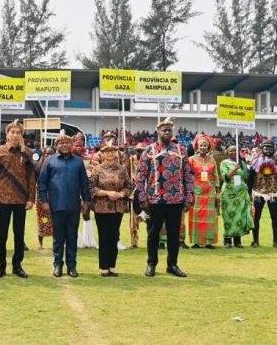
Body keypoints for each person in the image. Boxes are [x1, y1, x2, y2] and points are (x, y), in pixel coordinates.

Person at [134, 118, 194, 278]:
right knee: (153, 233)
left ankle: (172, 264)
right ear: (158, 132)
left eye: (169, 130)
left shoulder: (181, 150)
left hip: (176, 199)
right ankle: (151, 263)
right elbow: (140, 176)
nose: (167, 132)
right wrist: (142, 198)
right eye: (164, 130)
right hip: (155, 200)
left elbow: (188, 175)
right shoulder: (149, 150)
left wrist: (189, 197)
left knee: (174, 234)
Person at [38, 132, 91, 278]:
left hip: (74, 205)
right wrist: (44, 201)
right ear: (57, 146)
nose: (64, 145)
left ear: (71, 145)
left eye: (67, 143)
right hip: (56, 205)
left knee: (72, 237)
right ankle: (58, 265)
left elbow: (84, 183)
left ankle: (72, 266)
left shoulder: (78, 162)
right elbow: (42, 182)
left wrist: (87, 201)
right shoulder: (50, 161)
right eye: (61, 143)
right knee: (58, 238)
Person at [0, 120, 36, 279]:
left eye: (18, 133)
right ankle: (1, 266)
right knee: (2, 236)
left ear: (22, 135)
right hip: (2, 200)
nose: (15, 135)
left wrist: (31, 198)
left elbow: (31, 177)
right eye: (12, 132)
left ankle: (17, 266)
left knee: (19, 235)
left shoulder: (27, 153)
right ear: (7, 134)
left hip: (21, 200)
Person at [89, 140, 132, 276]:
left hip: (117, 207)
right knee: (104, 237)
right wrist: (108, 193)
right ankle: (104, 267)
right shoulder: (97, 169)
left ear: (116, 153)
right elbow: (92, 188)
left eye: (112, 151)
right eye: (107, 151)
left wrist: (120, 194)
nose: (110, 153)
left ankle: (112, 266)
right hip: (101, 208)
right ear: (102, 153)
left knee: (114, 237)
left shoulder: (122, 169)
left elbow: (129, 186)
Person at [249, 140, 277, 248]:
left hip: (273, 193)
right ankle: (255, 241)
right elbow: (250, 178)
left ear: (274, 149)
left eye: (270, 148)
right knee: (256, 218)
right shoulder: (255, 160)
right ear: (262, 149)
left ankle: (276, 241)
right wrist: (248, 192)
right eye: (266, 148)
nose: (268, 151)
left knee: (275, 217)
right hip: (258, 192)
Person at [188, 134, 221, 249]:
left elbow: (216, 176)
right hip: (196, 192)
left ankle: (209, 242)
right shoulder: (191, 160)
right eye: (201, 145)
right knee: (196, 216)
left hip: (210, 192)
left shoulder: (212, 160)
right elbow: (188, 176)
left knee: (209, 217)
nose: (203, 147)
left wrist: (218, 192)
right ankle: (196, 242)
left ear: (208, 147)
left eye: (205, 145)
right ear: (197, 146)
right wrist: (190, 191)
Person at [35, 146, 55, 250]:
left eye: (51, 153)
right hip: (41, 196)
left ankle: (55, 242)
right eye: (47, 153)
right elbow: (37, 170)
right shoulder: (41, 163)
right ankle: (40, 242)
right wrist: (43, 157)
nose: (49, 155)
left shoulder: (57, 164)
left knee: (55, 220)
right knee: (43, 219)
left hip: (55, 195)